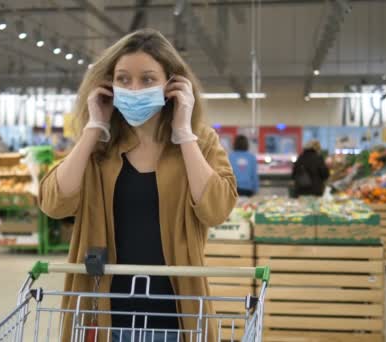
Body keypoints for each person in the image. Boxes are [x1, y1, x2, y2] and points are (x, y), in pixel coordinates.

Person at [39, 29, 237, 342]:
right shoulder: (99, 147)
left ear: (172, 84)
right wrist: (93, 127)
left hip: (177, 312)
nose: (134, 89)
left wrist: (184, 132)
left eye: (147, 79)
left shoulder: (201, 141)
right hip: (101, 312)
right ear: (108, 85)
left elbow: (217, 209)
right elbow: (53, 203)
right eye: (123, 79)